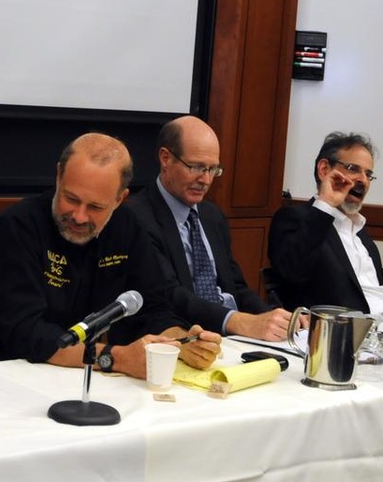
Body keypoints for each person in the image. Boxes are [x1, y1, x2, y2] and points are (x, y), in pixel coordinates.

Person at [0, 132, 221, 377]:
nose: (79, 216)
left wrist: (181, 342)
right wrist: (116, 358)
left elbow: (153, 307)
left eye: (95, 207)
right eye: (71, 199)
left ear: (119, 199)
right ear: (59, 176)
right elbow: (27, 333)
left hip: (78, 375)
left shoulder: (128, 227)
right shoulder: (17, 226)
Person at [126, 116, 296, 341]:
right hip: (182, 337)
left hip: (231, 338)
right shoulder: (136, 217)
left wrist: (275, 320)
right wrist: (238, 322)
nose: (205, 180)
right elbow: (168, 295)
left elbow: (236, 287)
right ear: (165, 158)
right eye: (196, 167)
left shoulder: (211, 215)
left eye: (213, 169)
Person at [268, 131, 383, 313]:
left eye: (368, 174)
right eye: (353, 169)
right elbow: (292, 274)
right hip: (336, 327)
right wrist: (326, 204)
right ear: (324, 169)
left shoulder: (361, 233)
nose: (363, 180)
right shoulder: (295, 218)